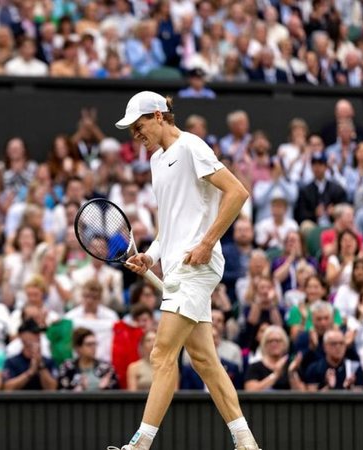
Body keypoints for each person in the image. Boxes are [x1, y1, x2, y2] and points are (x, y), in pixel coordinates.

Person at [116, 91, 258, 450]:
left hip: (198, 265)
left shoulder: (192, 146)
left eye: (140, 125)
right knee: (205, 359)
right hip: (178, 266)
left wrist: (208, 242)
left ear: (160, 116)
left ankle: (140, 445)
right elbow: (171, 224)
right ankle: (246, 441)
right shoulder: (155, 162)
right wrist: (150, 255)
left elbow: (237, 192)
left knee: (161, 354)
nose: (136, 135)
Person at [2, 319, 58, 391]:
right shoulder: (12, 362)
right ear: (21, 335)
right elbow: (7, 388)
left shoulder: (49, 362)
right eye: (33, 333)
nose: (37, 336)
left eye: (38, 333)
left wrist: (40, 365)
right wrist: (30, 372)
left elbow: (52, 388)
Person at [243, 326, 304, 391]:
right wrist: (275, 375)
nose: (274, 343)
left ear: (285, 344)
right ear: (264, 344)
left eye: (278, 341)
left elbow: (303, 394)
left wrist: (292, 373)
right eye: (270, 341)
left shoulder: (292, 366)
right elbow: (250, 390)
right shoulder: (255, 367)